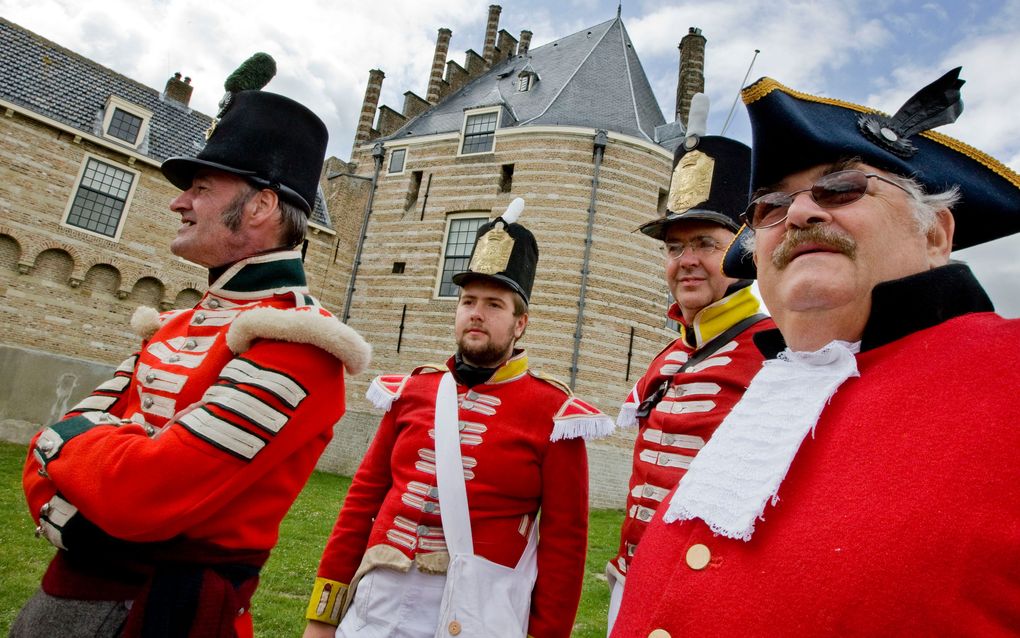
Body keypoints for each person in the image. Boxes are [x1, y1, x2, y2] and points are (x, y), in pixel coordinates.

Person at [612, 68, 1020, 636]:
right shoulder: (776, 382)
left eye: (841, 188)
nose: (800, 213)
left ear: (935, 235)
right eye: (770, 208)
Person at [13, 54, 371, 638]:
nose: (179, 202)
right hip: (61, 600)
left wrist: (68, 446)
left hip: (167, 618)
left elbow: (137, 495)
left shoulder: (300, 342)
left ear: (259, 205)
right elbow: (40, 460)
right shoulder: (173, 325)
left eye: (201, 188)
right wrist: (86, 461)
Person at [303, 201, 613, 638]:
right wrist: (323, 615)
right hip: (379, 598)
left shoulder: (554, 414)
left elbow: (565, 547)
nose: (476, 313)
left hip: (481, 610)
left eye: (494, 304)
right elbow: (361, 502)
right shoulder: (411, 390)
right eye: (468, 300)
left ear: (520, 323)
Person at [606, 126, 773, 632]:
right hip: (633, 580)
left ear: (745, 249)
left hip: (713, 596)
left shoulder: (780, 352)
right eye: (675, 248)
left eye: (705, 242)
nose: (687, 261)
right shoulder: (672, 354)